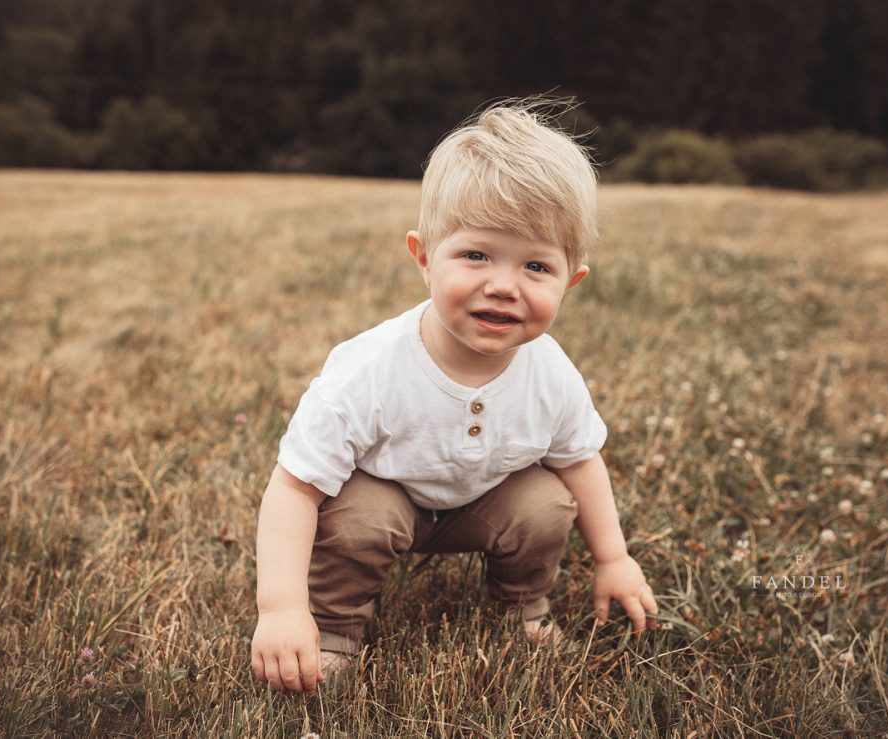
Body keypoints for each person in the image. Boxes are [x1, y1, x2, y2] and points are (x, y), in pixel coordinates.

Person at [251, 98, 658, 693]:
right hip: (384, 500)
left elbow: (581, 462)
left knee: (547, 501)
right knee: (358, 516)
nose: (502, 285)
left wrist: (614, 558)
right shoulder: (370, 369)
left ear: (571, 281)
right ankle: (334, 627)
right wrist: (280, 609)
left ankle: (519, 609)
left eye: (536, 267)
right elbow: (292, 489)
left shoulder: (551, 373)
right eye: (475, 255)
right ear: (423, 257)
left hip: (482, 504)